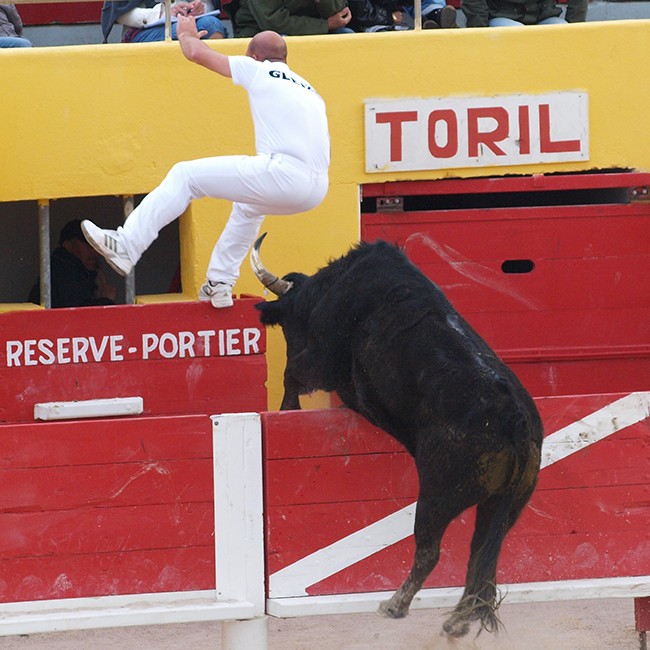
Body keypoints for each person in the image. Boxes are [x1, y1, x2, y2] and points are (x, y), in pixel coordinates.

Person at [81, 21, 330, 309]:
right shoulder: (311, 90)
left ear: (253, 56)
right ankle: (219, 284)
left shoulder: (259, 69)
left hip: (284, 173)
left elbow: (196, 53)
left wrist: (185, 31)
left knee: (185, 176)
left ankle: (127, 245)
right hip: (315, 189)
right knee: (248, 206)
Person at [29, 219, 117, 308]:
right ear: (68, 245)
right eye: (89, 245)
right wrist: (106, 300)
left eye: (97, 247)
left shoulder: (77, 270)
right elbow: (77, 316)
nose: (96, 252)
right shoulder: (62, 272)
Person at [101, 0, 228, 44]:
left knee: (212, 25)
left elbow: (211, 5)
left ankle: (213, 83)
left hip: (192, 21)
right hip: (144, 30)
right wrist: (163, 13)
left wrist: (201, 7)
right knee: (205, 26)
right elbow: (118, 13)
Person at [233, 0, 353, 37]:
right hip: (261, 32)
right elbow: (273, 21)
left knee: (347, 36)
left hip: (314, 28)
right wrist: (325, 25)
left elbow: (339, 13)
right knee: (283, 43)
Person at [462, 0, 566, 26]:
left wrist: (577, 26)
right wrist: (480, 33)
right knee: (517, 33)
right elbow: (474, 3)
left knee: (564, 30)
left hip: (542, 16)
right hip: (499, 15)